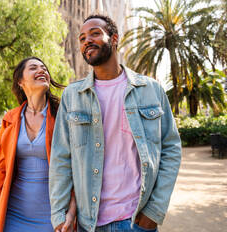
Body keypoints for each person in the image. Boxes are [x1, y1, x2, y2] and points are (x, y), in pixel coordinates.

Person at [49, 15, 181, 232]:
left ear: (114, 39)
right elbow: (61, 159)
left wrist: (154, 210)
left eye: (94, 33)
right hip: (88, 224)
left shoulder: (150, 90)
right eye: (81, 38)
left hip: (136, 221)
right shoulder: (72, 96)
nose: (86, 41)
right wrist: (60, 215)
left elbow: (171, 149)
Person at [0, 57, 76, 232]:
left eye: (44, 68)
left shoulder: (63, 116)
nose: (42, 71)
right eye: (33, 68)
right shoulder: (11, 119)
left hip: (54, 216)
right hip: (14, 215)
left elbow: (77, 168)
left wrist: (72, 211)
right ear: (20, 81)